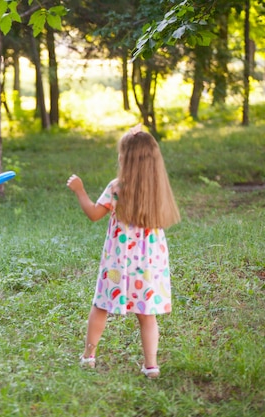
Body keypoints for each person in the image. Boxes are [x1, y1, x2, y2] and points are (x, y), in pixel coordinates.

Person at [66, 125, 180, 378]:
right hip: (149, 264)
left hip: (119, 262)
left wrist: (80, 190)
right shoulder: (157, 189)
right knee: (147, 315)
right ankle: (151, 365)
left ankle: (88, 357)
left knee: (101, 305)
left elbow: (94, 214)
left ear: (125, 160)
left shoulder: (117, 188)